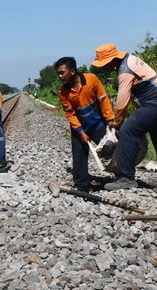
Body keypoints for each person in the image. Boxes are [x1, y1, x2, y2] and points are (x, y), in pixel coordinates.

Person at [92, 43, 157, 196]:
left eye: (103, 64)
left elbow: (122, 102)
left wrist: (117, 125)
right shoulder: (130, 61)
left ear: (111, 60)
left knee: (127, 130)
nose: (102, 68)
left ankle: (126, 177)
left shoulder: (125, 70)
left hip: (156, 104)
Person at [55, 57, 115, 191]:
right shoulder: (63, 92)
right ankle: (81, 184)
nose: (60, 76)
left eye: (62, 72)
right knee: (79, 156)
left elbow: (103, 99)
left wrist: (110, 119)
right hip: (79, 128)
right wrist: (81, 132)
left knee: (110, 150)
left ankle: (122, 177)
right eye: (58, 73)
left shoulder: (91, 79)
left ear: (72, 71)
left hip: (98, 124)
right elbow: (70, 114)